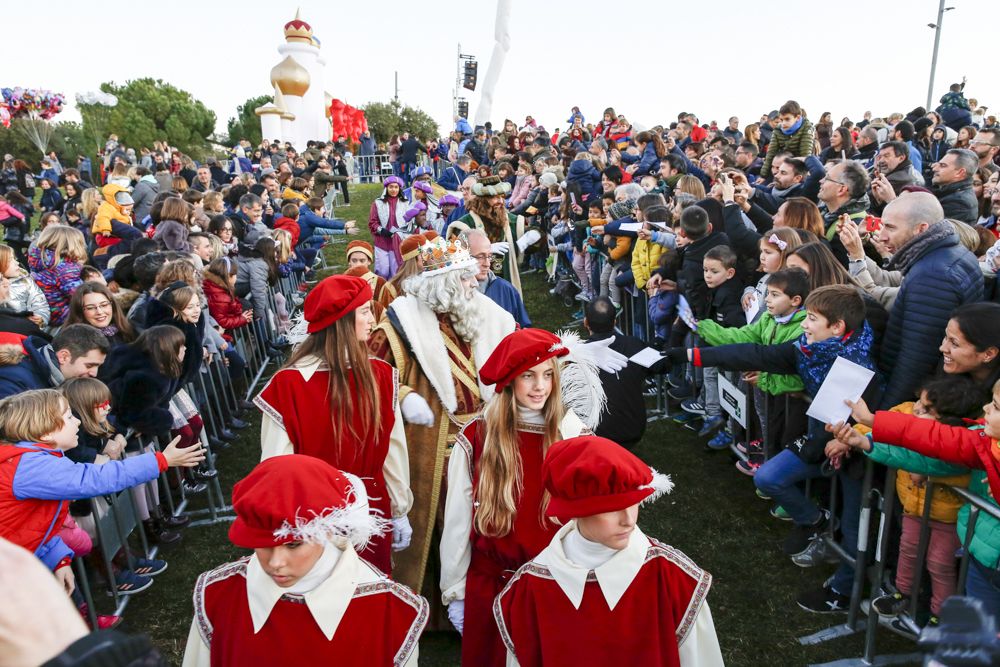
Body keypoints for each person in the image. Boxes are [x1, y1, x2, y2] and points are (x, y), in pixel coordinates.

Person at [439, 328, 601, 665]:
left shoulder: (572, 435)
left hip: (557, 585)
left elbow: (592, 518)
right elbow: (457, 520)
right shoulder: (478, 437)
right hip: (493, 588)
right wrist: (455, 591)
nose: (540, 386)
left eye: (547, 375)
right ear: (510, 379)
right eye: (528, 376)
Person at [367, 234, 517, 595]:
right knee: (438, 525)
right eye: (465, 278)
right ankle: (438, 608)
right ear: (444, 284)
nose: (476, 282)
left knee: (482, 523)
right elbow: (370, 382)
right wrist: (402, 396)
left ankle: (480, 597)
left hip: (485, 444)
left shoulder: (480, 315)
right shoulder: (397, 329)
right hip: (432, 448)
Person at [495, 435, 724, 667]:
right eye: (612, 509)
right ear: (576, 510)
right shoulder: (529, 590)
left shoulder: (672, 580)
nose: (629, 520)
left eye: (633, 502)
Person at [182, 455, 428, 666]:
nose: (276, 562)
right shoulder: (218, 596)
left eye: (293, 544)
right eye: (264, 543)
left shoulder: (392, 613)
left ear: (328, 530)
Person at [255, 275, 412, 574]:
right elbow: (277, 468)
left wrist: (399, 510)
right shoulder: (288, 386)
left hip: (365, 511)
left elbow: (392, 451)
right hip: (314, 521)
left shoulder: (380, 375)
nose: (372, 317)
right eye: (364, 311)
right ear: (341, 321)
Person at [0, 388, 203, 592]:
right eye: (69, 416)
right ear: (45, 432)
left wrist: (59, 560)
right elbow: (97, 478)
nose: (78, 421)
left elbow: (40, 523)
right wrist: (160, 460)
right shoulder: (31, 466)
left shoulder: (31, 460)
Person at [877, 193, 982, 409]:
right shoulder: (952, 253)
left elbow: (916, 357)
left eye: (891, 227)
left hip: (918, 396)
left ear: (921, 229)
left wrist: (886, 412)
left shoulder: (932, 274)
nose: (881, 236)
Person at [583, 297, 669, 448]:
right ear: (615, 321)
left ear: (586, 323)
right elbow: (663, 365)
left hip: (597, 432)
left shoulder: (577, 354)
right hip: (631, 428)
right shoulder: (634, 345)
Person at [454, 175, 540, 296]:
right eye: (494, 197)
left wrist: (534, 238)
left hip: (505, 283)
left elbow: (527, 248)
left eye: (502, 197)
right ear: (482, 200)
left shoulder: (513, 222)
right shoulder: (465, 224)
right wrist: (487, 249)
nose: (500, 201)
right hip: (476, 287)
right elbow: (455, 257)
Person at [0, 325, 108, 398]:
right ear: (64, 357)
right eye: (89, 365)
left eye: (99, 366)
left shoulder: (65, 383)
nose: (95, 373)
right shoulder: (13, 379)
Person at [465, 229, 530, 327]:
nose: (487, 264)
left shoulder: (506, 289)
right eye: (480, 257)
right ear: (463, 257)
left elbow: (524, 328)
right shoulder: (453, 295)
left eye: (489, 256)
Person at [28, 225, 86, 327]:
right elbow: (81, 296)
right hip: (63, 316)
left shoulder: (41, 262)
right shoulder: (65, 269)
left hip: (47, 313)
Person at [368, 176, 410, 279]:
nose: (394, 190)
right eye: (391, 187)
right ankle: (380, 290)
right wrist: (382, 231)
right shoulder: (378, 203)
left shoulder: (405, 203)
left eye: (396, 187)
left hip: (397, 241)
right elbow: (372, 222)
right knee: (382, 271)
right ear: (386, 188)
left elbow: (409, 222)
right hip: (382, 241)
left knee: (395, 271)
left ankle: (392, 292)